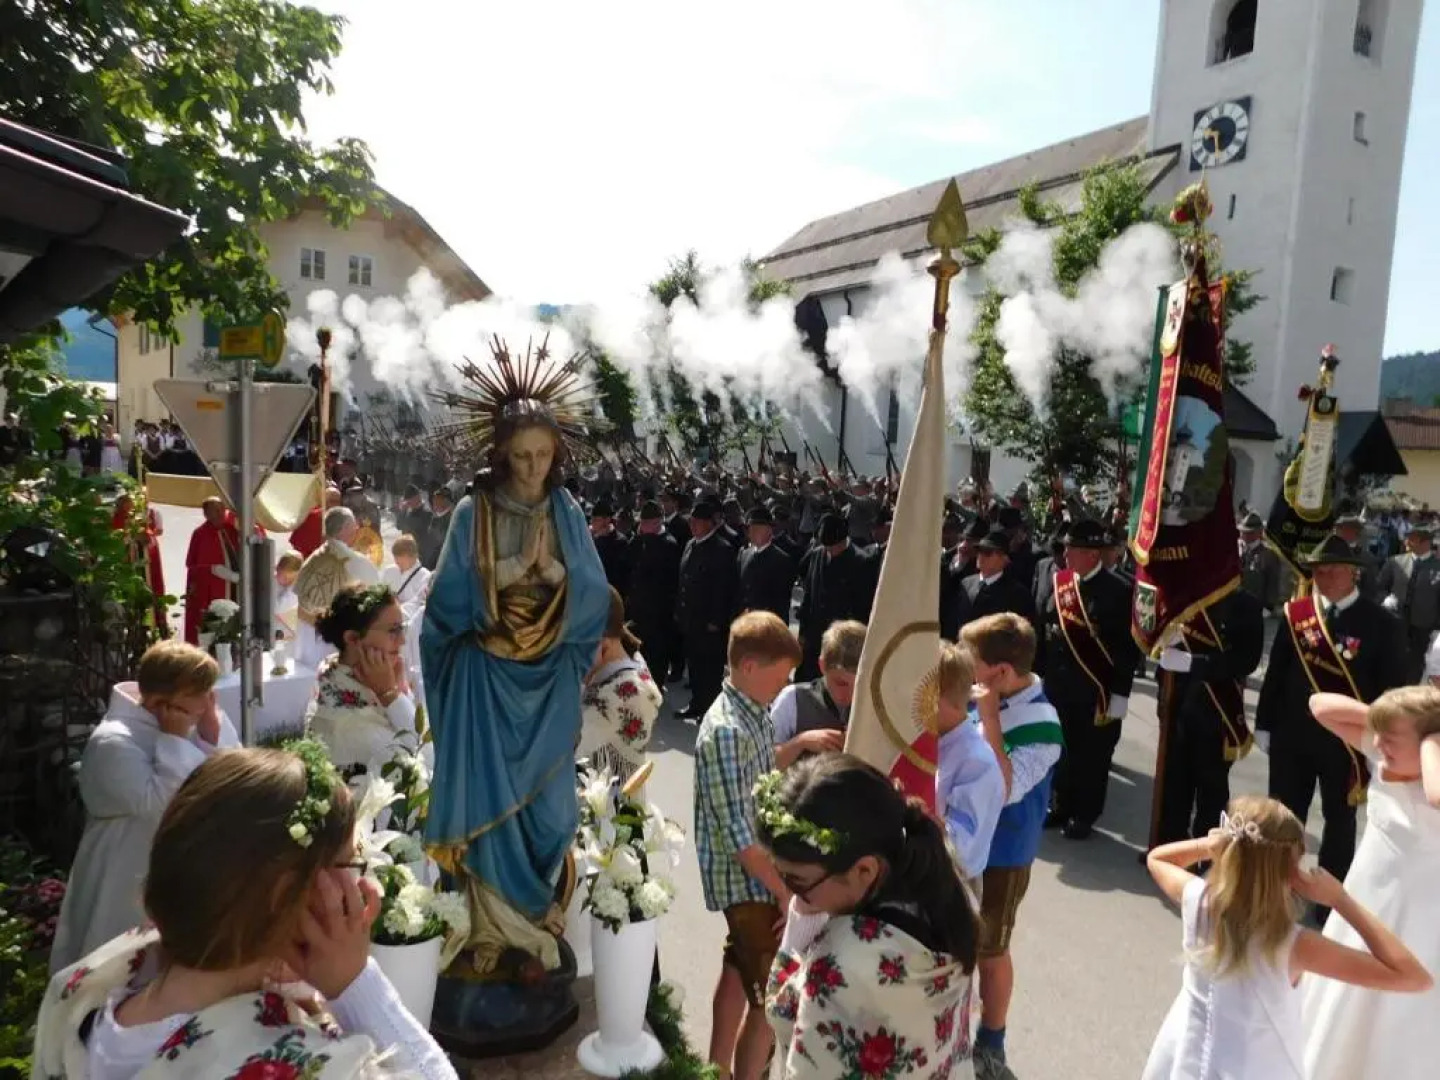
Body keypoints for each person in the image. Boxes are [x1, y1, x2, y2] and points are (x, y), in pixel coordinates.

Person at [35, 743, 458, 1079]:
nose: (358, 887)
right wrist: (356, 985)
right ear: (286, 895)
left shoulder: (82, 994)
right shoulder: (299, 1066)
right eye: (349, 865)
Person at [420, 375, 611, 980]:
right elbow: (445, 602)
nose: (532, 468)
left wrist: (551, 571)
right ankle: (488, 934)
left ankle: (535, 920)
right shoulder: (474, 513)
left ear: (557, 454)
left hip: (549, 675)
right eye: (521, 455)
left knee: (554, 815)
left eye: (543, 455)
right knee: (486, 808)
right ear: (501, 452)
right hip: (484, 677)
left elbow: (592, 597)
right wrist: (505, 567)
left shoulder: (565, 511)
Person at [1141, 795, 1431, 1080]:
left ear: (1227, 851)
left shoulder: (1200, 901)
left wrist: (1207, 845)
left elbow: (1158, 859)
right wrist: (1340, 899)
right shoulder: (1293, 944)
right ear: (1290, 871)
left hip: (1185, 1059)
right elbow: (1412, 976)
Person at [760, 754, 981, 1079]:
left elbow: (781, 1013)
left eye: (798, 882)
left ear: (864, 870)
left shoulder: (841, 964)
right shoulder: (943, 887)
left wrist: (801, 922)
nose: (793, 895)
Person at [49, 641, 239, 973]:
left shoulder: (194, 719)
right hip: (124, 872)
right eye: (201, 693)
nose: (210, 701)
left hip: (180, 869)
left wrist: (210, 739)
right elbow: (164, 807)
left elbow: (234, 781)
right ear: (160, 702)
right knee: (119, 972)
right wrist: (175, 741)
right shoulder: (113, 742)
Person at [1257, 532, 1409, 892]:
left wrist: (1384, 741)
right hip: (1292, 735)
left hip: (1346, 743)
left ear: (1351, 573)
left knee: (1339, 821)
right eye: (1317, 571)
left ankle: (1330, 898)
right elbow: (1276, 672)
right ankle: (1277, 889)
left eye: (1330, 571)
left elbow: (1392, 690)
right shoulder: (1298, 615)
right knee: (1282, 817)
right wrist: (1264, 724)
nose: (1322, 578)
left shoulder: (1382, 624)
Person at [1303, 687, 1440, 1080]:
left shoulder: (1431, 780)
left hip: (1417, 927)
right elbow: (1320, 706)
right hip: (1361, 909)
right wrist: (1389, 720)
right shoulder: (1382, 753)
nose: (1379, 745)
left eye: (1391, 739)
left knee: (1394, 1021)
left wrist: (1430, 739)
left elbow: (1435, 795)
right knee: (1340, 1005)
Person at [693, 611, 801, 1080]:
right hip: (748, 880)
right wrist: (783, 891)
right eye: (778, 679)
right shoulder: (725, 731)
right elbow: (738, 835)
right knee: (768, 999)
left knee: (738, 969)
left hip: (760, 872)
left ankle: (714, 1070)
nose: (782, 689)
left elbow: (761, 778)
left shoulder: (752, 714)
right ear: (750, 667)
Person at [960, 612, 1064, 1080]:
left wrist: (987, 720)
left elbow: (1003, 788)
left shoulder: (1043, 725)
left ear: (1001, 672)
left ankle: (991, 1041)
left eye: (973, 662)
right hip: (963, 843)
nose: (966, 670)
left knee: (990, 950)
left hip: (1002, 855)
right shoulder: (984, 693)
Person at [1033, 518, 1140, 840]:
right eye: (1065, 548)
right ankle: (1060, 806)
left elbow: (1126, 647)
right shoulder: (1060, 583)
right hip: (1058, 686)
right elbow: (1044, 631)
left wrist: (1121, 692)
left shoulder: (1119, 591)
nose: (1066, 555)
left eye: (1073, 550)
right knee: (1060, 751)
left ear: (1093, 555)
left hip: (1096, 690)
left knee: (1091, 756)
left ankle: (1085, 814)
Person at [1153, 588, 1266, 845]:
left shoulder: (1245, 604)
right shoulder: (1183, 596)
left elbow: (1245, 660)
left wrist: (1195, 663)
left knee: (1211, 789)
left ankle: (1207, 851)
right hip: (1178, 704)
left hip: (1217, 712)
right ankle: (1171, 845)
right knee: (1174, 782)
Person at [304, 583, 416, 777]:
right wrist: (391, 695)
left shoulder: (334, 676)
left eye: (402, 628)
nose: (402, 641)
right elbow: (430, 762)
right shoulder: (349, 725)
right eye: (393, 630)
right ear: (353, 638)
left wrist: (394, 691)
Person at [934, 641, 1005, 887]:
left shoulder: (976, 762)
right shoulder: (933, 739)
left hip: (950, 883)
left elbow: (958, 845)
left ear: (935, 699)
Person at [578, 587, 663, 782]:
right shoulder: (627, 660)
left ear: (603, 644)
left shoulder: (624, 694)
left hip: (608, 803)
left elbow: (566, 752)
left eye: (577, 646)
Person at [677, 500, 741, 721]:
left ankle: (710, 710)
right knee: (694, 665)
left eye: (698, 522)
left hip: (709, 622)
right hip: (690, 618)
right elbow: (683, 581)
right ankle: (696, 704)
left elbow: (724, 589)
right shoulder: (690, 545)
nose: (693, 525)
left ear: (710, 524)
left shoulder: (721, 549)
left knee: (710, 670)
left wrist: (716, 619)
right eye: (691, 521)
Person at [771, 618, 863, 768]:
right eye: (840, 683)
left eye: (859, 685)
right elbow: (762, 765)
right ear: (822, 665)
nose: (850, 693)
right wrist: (800, 742)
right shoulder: (792, 699)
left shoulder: (875, 708)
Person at [795, 513, 877, 681]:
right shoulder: (817, 555)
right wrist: (803, 633)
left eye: (833, 547)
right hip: (814, 638)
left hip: (842, 641)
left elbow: (863, 608)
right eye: (826, 546)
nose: (829, 550)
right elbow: (809, 594)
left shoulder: (862, 562)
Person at [1376, 519, 1439, 682]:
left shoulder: (1437, 567)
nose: (1406, 541)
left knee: (1415, 665)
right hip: (1395, 622)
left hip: (1423, 628)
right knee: (1392, 659)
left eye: (1411, 538)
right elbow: (1379, 587)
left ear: (1425, 542)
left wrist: (1437, 629)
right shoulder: (1395, 562)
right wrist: (1385, 599)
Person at [182, 497, 239, 645]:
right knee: (210, 630)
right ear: (206, 514)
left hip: (232, 589)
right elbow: (192, 565)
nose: (221, 513)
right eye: (216, 510)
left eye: (222, 509)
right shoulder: (200, 534)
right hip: (210, 593)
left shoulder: (231, 530)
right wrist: (213, 570)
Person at [736, 504, 796, 623]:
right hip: (744, 621)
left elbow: (781, 602)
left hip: (766, 624)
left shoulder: (781, 560)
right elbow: (738, 590)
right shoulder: (744, 554)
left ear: (769, 530)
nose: (752, 533)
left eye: (757, 529)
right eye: (750, 529)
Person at [382, 533, 432, 611]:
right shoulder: (389, 571)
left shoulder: (426, 577)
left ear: (413, 556)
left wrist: (396, 608)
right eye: (395, 558)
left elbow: (418, 606)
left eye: (401, 558)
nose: (396, 561)